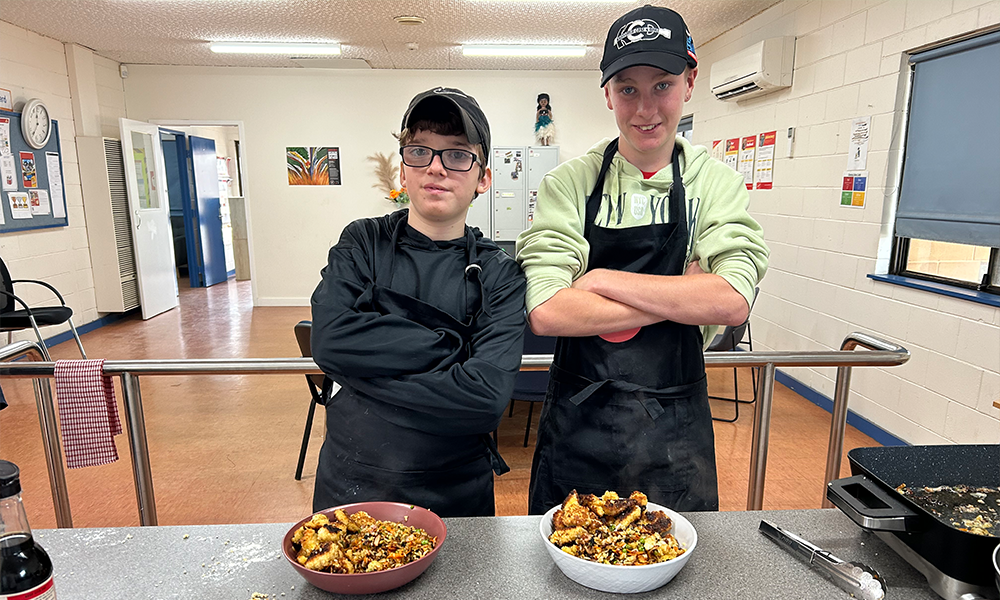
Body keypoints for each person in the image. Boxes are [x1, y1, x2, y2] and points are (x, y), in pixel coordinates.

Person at [516, 5, 769, 515]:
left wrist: (600, 279)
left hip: (674, 434)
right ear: (607, 92)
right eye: (627, 88)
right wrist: (682, 295)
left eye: (663, 85)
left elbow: (732, 301)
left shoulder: (713, 184)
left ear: (690, 82)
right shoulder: (570, 183)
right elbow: (547, 311)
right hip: (578, 425)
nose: (645, 108)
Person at [310, 87, 527, 518]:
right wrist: (452, 347)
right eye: (420, 151)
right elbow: (330, 341)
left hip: (455, 495)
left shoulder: (500, 272)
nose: (436, 168)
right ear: (403, 169)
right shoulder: (363, 242)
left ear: (483, 177)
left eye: (457, 154)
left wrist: (362, 377)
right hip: (353, 487)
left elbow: (485, 401)